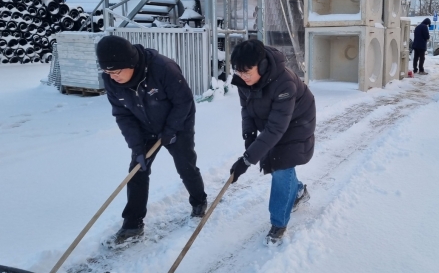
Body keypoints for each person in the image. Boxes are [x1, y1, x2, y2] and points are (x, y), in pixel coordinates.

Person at [96, 35, 208, 244]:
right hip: (143, 126)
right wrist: (137, 147)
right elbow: (123, 114)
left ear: (130, 64)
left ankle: (199, 200)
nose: (112, 77)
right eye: (107, 72)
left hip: (178, 123)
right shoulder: (112, 81)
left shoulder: (162, 68)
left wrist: (171, 130)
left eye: (116, 71)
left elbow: (183, 102)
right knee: (137, 171)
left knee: (185, 165)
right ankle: (132, 224)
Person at [229, 39, 315, 246]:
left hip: (297, 122)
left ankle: (278, 223)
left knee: (281, 166)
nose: (242, 77)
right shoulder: (245, 78)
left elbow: (277, 129)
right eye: (239, 72)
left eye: (247, 72)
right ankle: (298, 191)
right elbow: (246, 109)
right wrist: (249, 136)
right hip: (273, 120)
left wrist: (247, 160)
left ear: (263, 65)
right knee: (275, 159)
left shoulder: (284, 83)